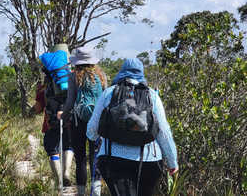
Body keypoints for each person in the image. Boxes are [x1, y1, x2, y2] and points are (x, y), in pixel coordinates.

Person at [86, 58, 179, 196]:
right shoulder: (152, 95)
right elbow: (164, 133)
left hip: (113, 159)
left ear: (122, 72)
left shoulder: (109, 93)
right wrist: (172, 162)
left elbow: (91, 131)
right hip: (149, 161)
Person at [57, 46, 107, 196]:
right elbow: (105, 99)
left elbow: (70, 101)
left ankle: (80, 193)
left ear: (77, 62)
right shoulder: (101, 75)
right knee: (95, 158)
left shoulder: (73, 76)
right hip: (97, 123)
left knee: (80, 160)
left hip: (79, 123)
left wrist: (64, 115)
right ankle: (95, 192)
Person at [32, 56, 74, 188]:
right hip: (69, 120)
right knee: (68, 146)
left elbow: (38, 109)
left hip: (51, 123)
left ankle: (59, 181)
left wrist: (37, 94)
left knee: (52, 149)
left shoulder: (44, 88)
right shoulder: (71, 81)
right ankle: (67, 172)